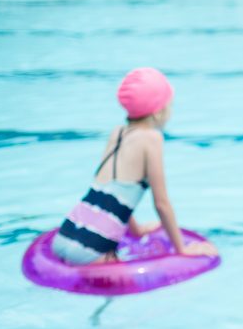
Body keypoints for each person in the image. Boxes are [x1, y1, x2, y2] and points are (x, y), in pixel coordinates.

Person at [51, 67, 217, 265]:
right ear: (158, 112)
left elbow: (113, 191)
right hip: (94, 249)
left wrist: (136, 231)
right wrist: (182, 249)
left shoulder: (117, 133)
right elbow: (161, 203)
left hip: (65, 234)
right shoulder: (152, 139)